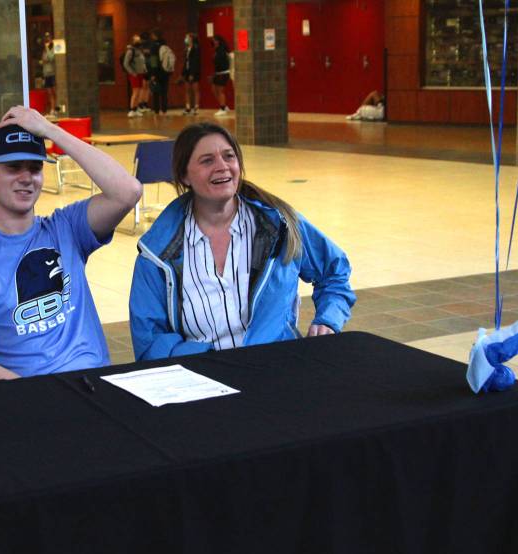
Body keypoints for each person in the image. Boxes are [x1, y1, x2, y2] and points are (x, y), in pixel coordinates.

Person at [0, 106, 143, 382]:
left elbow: (128, 191)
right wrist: (50, 400)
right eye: (13, 167)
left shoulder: (67, 227)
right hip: (29, 397)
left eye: (35, 168)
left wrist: (50, 130)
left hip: (96, 384)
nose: (26, 178)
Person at [128, 123, 355, 361]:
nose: (223, 166)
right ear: (184, 175)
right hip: (202, 377)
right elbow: (150, 338)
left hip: (276, 368)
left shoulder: (281, 226)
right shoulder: (157, 253)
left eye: (229, 156)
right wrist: (199, 359)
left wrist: (328, 319)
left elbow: (334, 272)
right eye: (207, 161)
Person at [149, 31, 175, 115]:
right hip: (165, 71)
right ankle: (164, 109)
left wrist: (153, 73)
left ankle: (156, 110)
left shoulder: (153, 46)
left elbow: (153, 60)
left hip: (157, 72)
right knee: (164, 92)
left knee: (156, 91)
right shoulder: (165, 45)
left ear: (154, 35)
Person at [123, 35, 148, 118]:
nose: (139, 41)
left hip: (141, 74)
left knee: (139, 92)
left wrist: (144, 70)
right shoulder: (130, 51)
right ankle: (131, 109)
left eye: (139, 40)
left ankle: (136, 108)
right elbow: (126, 63)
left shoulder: (139, 50)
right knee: (135, 92)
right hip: (135, 74)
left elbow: (142, 62)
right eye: (137, 40)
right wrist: (133, 73)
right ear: (132, 41)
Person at [180, 32, 201, 115]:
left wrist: (192, 73)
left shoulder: (196, 48)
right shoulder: (187, 49)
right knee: (187, 90)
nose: (186, 39)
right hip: (187, 71)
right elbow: (186, 62)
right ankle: (188, 107)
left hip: (194, 71)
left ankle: (196, 107)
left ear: (191, 39)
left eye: (187, 37)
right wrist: (183, 73)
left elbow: (195, 62)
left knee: (195, 90)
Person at [211, 35, 231, 117]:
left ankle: (222, 108)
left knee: (220, 91)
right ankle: (224, 106)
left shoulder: (222, 50)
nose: (213, 42)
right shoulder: (216, 50)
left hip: (223, 72)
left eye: (214, 40)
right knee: (213, 89)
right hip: (218, 73)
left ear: (218, 41)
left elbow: (223, 63)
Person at [40, 33, 57, 118]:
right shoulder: (44, 50)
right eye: (46, 39)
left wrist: (47, 47)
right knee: (49, 93)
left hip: (52, 73)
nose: (47, 40)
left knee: (54, 92)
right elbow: (43, 60)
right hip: (46, 73)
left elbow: (51, 58)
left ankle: (56, 109)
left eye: (49, 38)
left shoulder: (53, 49)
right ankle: (52, 109)